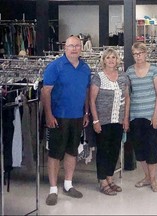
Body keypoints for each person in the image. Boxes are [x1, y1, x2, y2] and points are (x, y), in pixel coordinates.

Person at [41, 36, 91, 206]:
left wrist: (86, 112)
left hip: (77, 116)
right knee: (55, 153)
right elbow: (45, 92)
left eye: (77, 46)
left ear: (81, 48)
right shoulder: (55, 66)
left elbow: (86, 91)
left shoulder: (85, 68)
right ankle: (53, 189)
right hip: (58, 117)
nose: (74, 49)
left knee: (72, 151)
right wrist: (49, 115)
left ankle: (68, 185)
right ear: (65, 47)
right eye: (71, 46)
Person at [89, 48, 130, 196]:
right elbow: (92, 100)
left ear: (117, 60)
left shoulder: (123, 77)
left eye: (113, 57)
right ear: (104, 60)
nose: (111, 60)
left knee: (114, 150)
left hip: (117, 121)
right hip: (103, 121)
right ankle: (102, 181)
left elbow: (127, 99)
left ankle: (110, 178)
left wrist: (125, 118)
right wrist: (96, 120)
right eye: (108, 58)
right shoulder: (98, 77)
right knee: (103, 151)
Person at [126, 42, 157, 192]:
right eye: (135, 54)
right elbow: (128, 95)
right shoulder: (129, 71)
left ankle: (153, 180)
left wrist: (155, 116)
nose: (138, 56)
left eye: (140, 53)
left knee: (152, 148)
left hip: (151, 116)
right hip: (135, 115)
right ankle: (147, 177)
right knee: (139, 149)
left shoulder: (154, 69)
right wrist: (127, 117)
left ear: (145, 53)